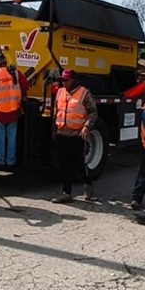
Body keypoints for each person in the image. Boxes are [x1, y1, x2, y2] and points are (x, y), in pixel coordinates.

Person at [51, 69, 98, 203]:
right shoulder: (60, 92)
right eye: (62, 81)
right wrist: (54, 129)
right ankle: (66, 193)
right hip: (62, 134)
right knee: (63, 164)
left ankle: (88, 183)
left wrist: (87, 127)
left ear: (74, 80)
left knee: (79, 164)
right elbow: (56, 112)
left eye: (67, 80)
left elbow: (93, 112)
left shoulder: (84, 93)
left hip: (77, 135)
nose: (64, 83)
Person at [0, 50, 29, 169]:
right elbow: (25, 86)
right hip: (13, 112)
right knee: (11, 137)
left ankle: (0, 161)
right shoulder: (15, 73)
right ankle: (10, 161)